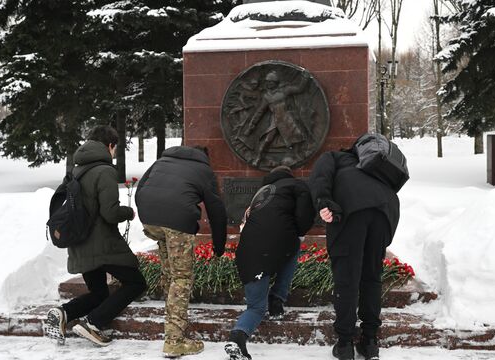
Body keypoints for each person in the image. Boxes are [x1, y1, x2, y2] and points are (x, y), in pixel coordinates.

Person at [43, 125, 147, 346]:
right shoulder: (105, 171)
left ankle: (64, 313)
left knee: (99, 293)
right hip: (103, 245)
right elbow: (109, 213)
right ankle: (93, 323)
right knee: (136, 283)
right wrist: (128, 212)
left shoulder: (76, 170)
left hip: (79, 243)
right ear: (110, 146)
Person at [135, 145, 227, 358]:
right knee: (182, 277)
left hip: (150, 218)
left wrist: (149, 213)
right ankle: (174, 340)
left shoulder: (162, 161)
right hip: (177, 220)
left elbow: (141, 189)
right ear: (205, 156)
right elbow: (216, 210)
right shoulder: (204, 170)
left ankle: (174, 323)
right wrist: (219, 246)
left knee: (170, 272)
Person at [308, 145, 400, 360]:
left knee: (347, 280)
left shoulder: (333, 155)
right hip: (385, 212)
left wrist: (323, 200)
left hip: (352, 211)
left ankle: (345, 343)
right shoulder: (373, 163)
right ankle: (369, 342)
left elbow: (320, 176)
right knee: (371, 278)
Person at [225, 166, 315, 360]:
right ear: (289, 175)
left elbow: (245, 221)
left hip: (247, 251)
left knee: (255, 305)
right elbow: (305, 216)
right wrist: (297, 232)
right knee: (292, 248)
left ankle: (239, 335)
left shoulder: (262, 193)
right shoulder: (297, 186)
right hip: (279, 243)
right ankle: (274, 303)